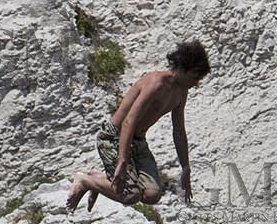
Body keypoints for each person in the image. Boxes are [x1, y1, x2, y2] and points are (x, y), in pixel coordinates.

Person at [66, 40, 211, 211]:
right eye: (195, 77)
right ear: (183, 68)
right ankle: (85, 180)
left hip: (138, 141)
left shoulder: (181, 92)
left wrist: (185, 167)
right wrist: (122, 160)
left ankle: (99, 178)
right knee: (130, 195)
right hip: (114, 137)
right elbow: (129, 121)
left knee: (152, 195)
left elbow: (179, 130)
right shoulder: (155, 83)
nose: (196, 83)